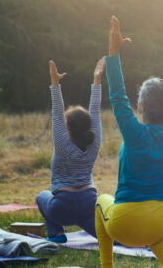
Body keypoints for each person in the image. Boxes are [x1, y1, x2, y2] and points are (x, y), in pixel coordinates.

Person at [95, 14, 163, 268]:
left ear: (142, 106)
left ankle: (107, 266)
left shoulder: (133, 132)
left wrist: (113, 52)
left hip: (125, 225)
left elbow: (117, 95)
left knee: (100, 202)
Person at [36, 57, 104, 242]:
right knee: (109, 237)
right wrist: (97, 81)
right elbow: (95, 111)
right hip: (88, 204)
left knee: (41, 196)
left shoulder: (62, 145)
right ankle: (136, 240)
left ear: (68, 127)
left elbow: (57, 112)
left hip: (62, 208)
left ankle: (57, 234)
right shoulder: (94, 142)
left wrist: (55, 83)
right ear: (89, 126)